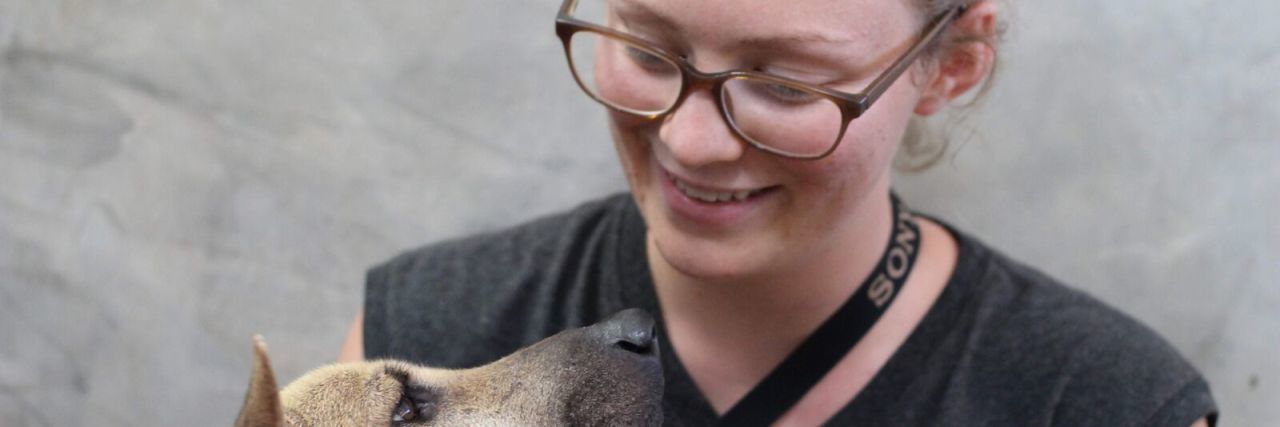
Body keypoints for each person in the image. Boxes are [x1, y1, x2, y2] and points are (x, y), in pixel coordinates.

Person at [339, 0, 1218, 425]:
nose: (687, 141)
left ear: (951, 64)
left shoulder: (1106, 404)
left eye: (786, 84)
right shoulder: (421, 340)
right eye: (648, 49)